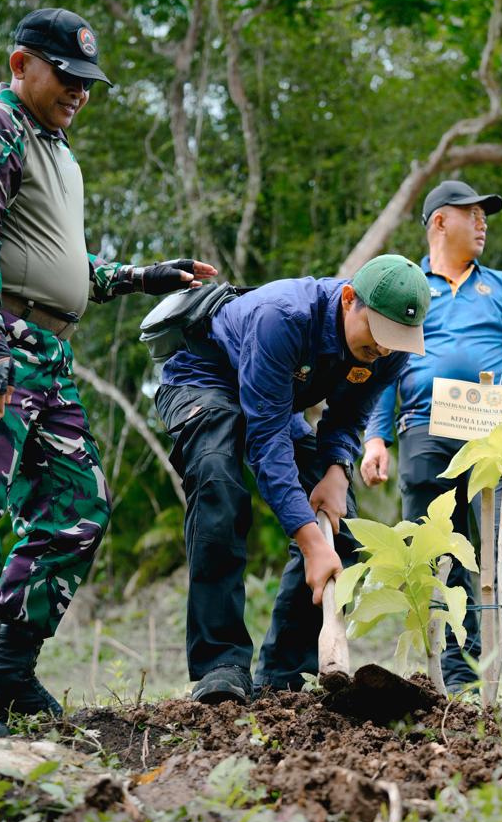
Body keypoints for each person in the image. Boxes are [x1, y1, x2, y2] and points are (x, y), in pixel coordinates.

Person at [0, 8, 215, 738]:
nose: (79, 92)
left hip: (49, 354)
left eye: (86, 81)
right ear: (20, 63)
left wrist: (143, 276)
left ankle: (5, 671)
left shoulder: (56, 151)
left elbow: (66, 267)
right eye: (65, 76)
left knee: (78, 507)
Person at [155, 254, 431, 704]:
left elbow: (348, 417)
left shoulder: (389, 352)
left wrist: (337, 471)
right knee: (217, 484)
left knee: (342, 528)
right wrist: (308, 542)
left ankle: (281, 678)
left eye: (396, 341)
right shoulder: (282, 317)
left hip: (276, 401)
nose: (383, 350)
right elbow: (266, 443)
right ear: (348, 300)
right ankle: (220, 664)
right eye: (379, 335)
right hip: (204, 379)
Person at [361, 180, 502, 708]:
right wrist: (375, 436)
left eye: (485, 215)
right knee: (435, 551)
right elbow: (384, 361)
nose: (483, 223)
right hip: (424, 426)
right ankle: (456, 679)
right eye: (471, 213)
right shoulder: (410, 286)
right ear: (438, 222)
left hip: (497, 430)